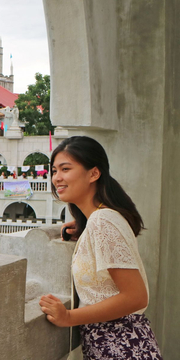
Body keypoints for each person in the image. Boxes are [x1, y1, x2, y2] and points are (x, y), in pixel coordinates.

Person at [39, 136, 161, 359]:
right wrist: (84, 228)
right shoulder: (98, 221)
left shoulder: (103, 221)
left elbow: (136, 297)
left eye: (65, 169)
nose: (57, 178)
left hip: (121, 345)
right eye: (54, 170)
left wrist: (68, 317)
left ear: (94, 174)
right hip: (116, 343)